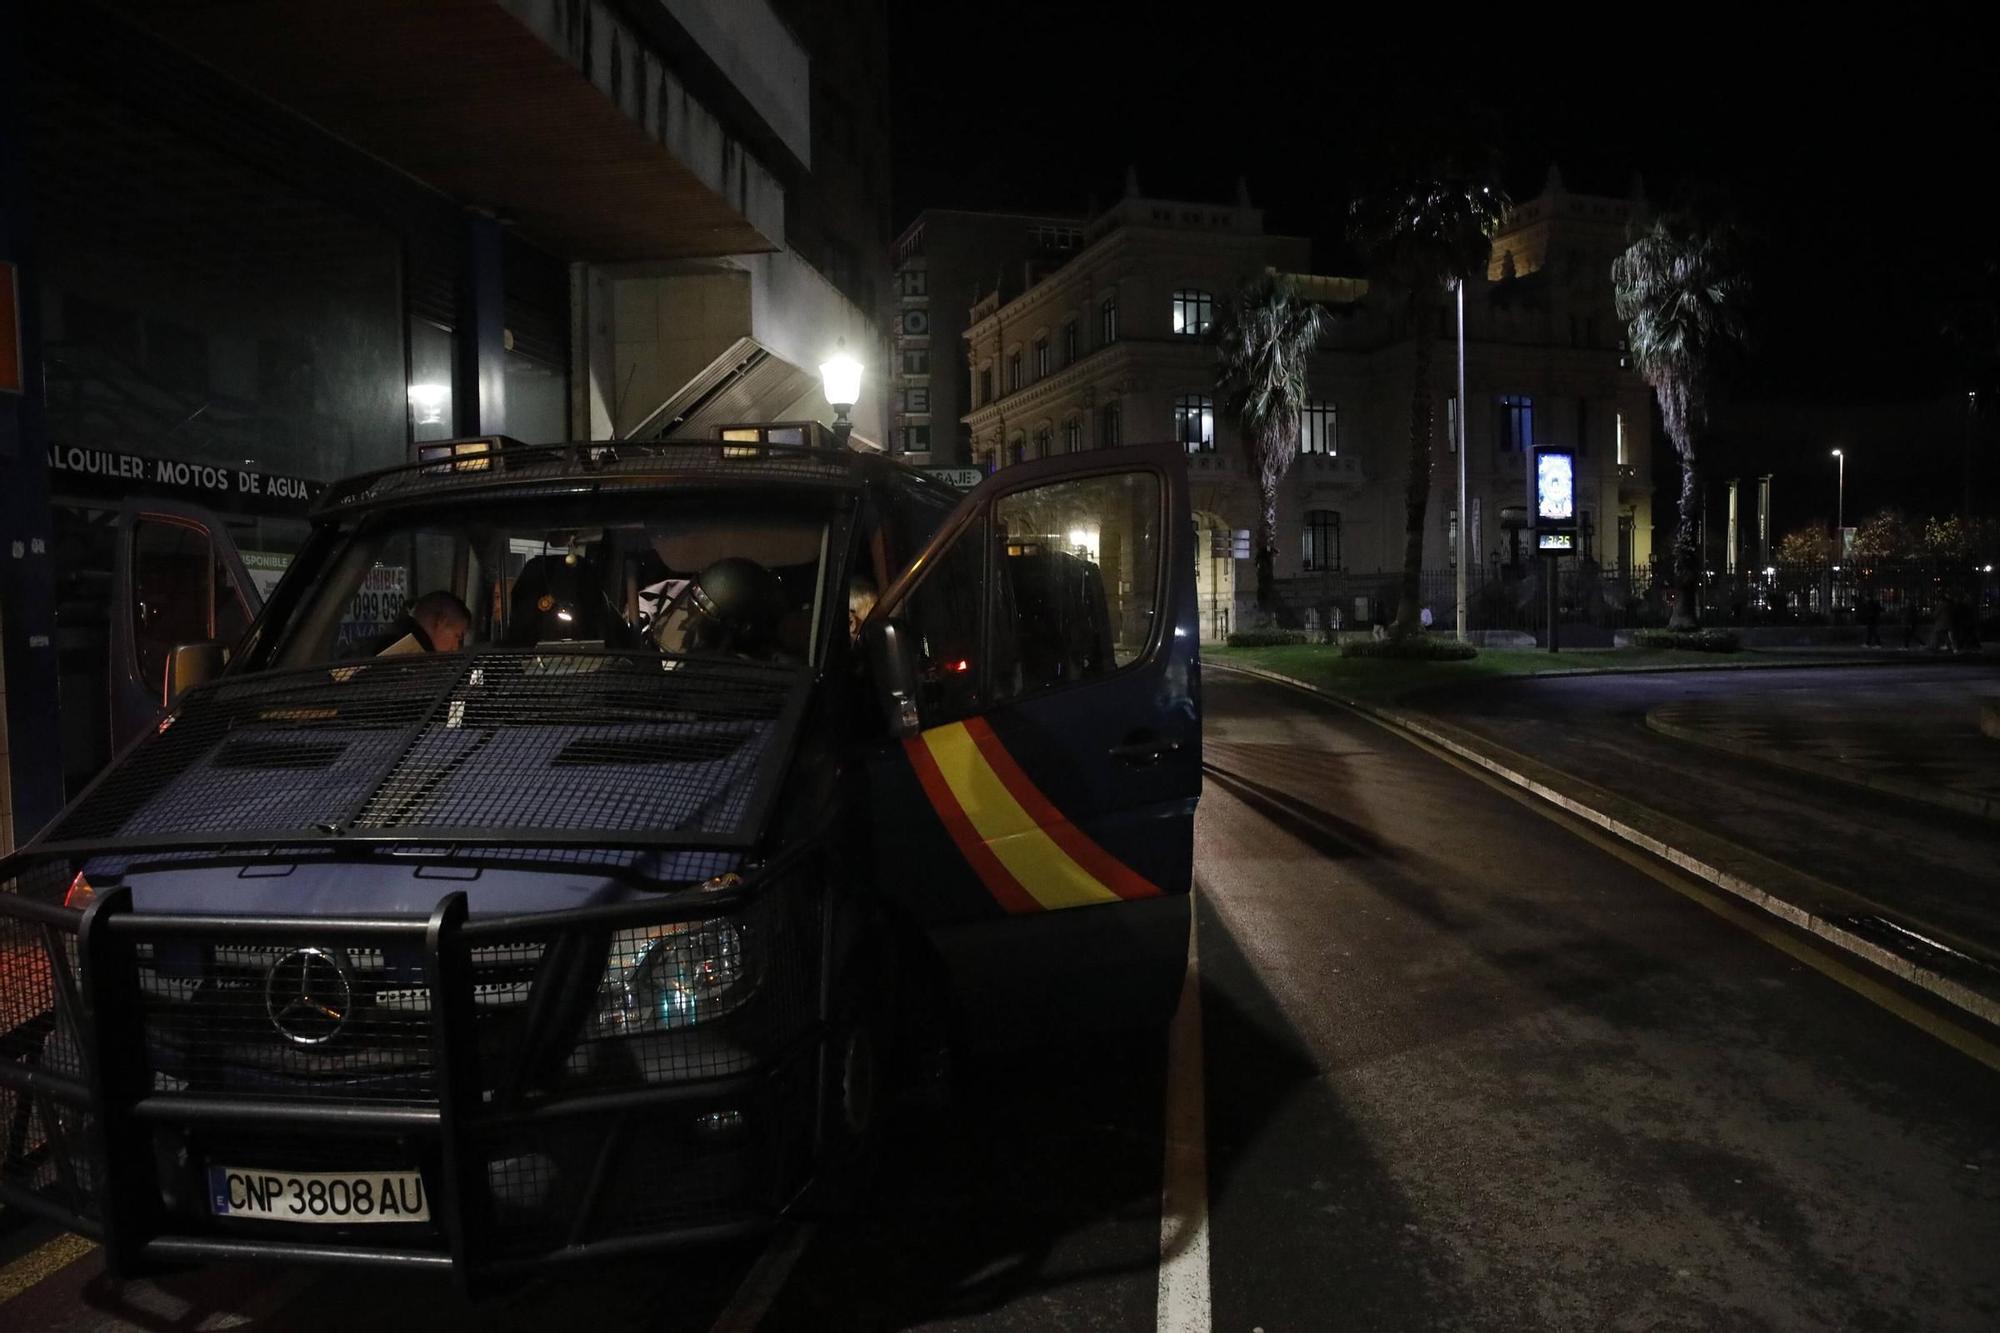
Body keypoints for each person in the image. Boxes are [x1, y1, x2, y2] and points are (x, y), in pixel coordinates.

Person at [370, 590, 472, 656]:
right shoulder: (414, 659)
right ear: (441, 622)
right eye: (457, 636)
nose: (456, 647)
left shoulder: (391, 639)